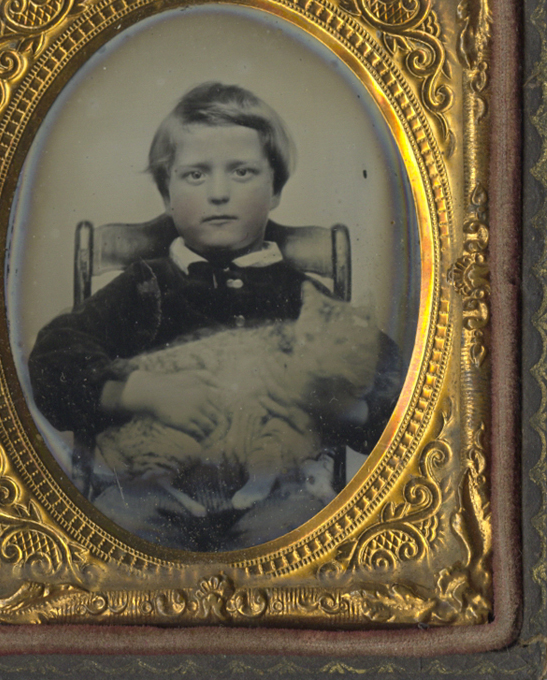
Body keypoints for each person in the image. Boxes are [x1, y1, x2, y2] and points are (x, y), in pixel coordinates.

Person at [28, 82, 403, 551]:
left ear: (276, 190)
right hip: (151, 485)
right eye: (195, 176)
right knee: (119, 543)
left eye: (242, 172)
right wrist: (138, 392)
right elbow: (53, 360)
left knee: (303, 539)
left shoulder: (300, 296)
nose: (219, 193)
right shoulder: (144, 287)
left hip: (279, 486)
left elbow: (393, 382)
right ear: (166, 194)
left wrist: (341, 407)